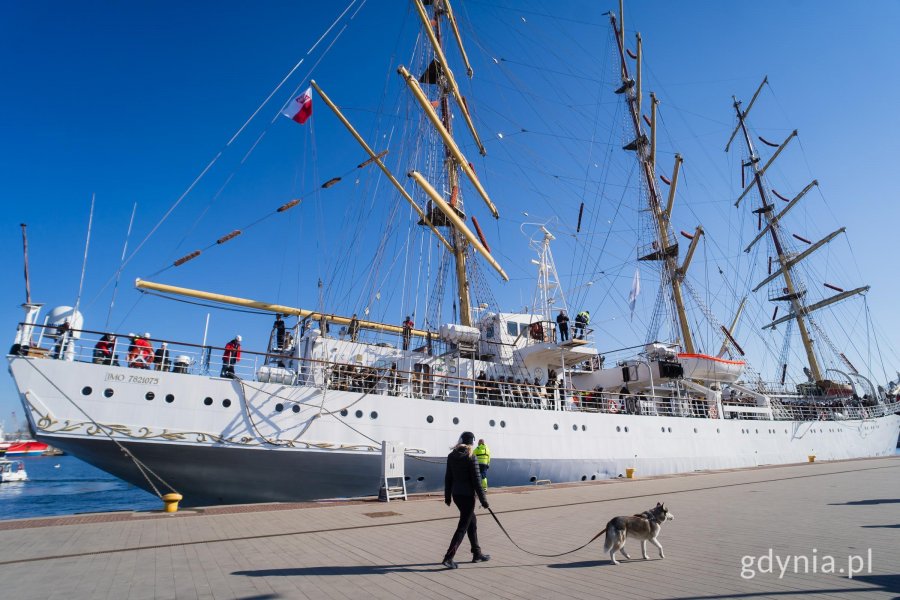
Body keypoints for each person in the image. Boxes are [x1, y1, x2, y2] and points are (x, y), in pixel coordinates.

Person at [442, 431, 490, 569]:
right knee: (463, 527)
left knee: (472, 523)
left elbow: (448, 478)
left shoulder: (451, 456)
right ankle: (448, 557)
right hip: (468, 496)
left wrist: (447, 497)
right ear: (471, 443)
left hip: (457, 495)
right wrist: (484, 500)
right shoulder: (471, 457)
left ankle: (477, 553)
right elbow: (477, 481)